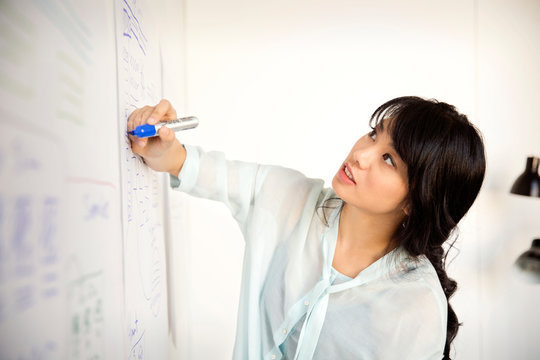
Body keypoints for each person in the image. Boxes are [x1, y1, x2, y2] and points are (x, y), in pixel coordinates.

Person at [128, 96, 486, 360]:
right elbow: (192, 166)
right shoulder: (288, 198)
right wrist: (162, 150)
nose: (361, 154)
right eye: (373, 135)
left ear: (415, 201)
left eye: (388, 159)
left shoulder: (417, 307)